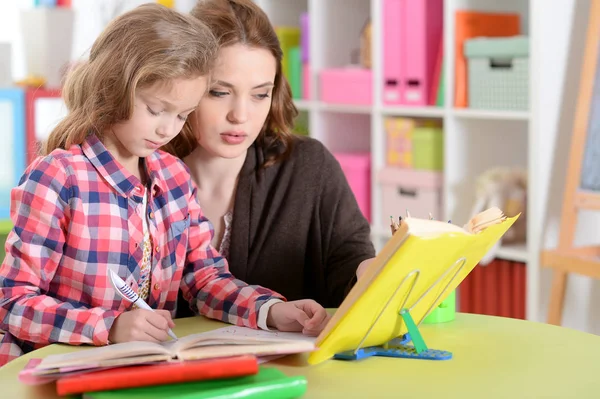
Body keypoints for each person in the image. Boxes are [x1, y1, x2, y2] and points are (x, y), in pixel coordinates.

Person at [0, 3, 328, 367]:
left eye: (182, 115)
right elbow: (13, 303)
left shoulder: (174, 177)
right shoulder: (59, 177)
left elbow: (204, 278)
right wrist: (108, 326)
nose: (167, 129)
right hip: (52, 372)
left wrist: (271, 312)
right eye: (156, 110)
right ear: (113, 87)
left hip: (142, 372)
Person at [165, 0, 376, 318]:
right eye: (219, 92)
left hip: (291, 367)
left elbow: (348, 265)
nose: (241, 115)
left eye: (260, 94)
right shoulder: (141, 175)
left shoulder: (309, 166)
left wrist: (374, 272)